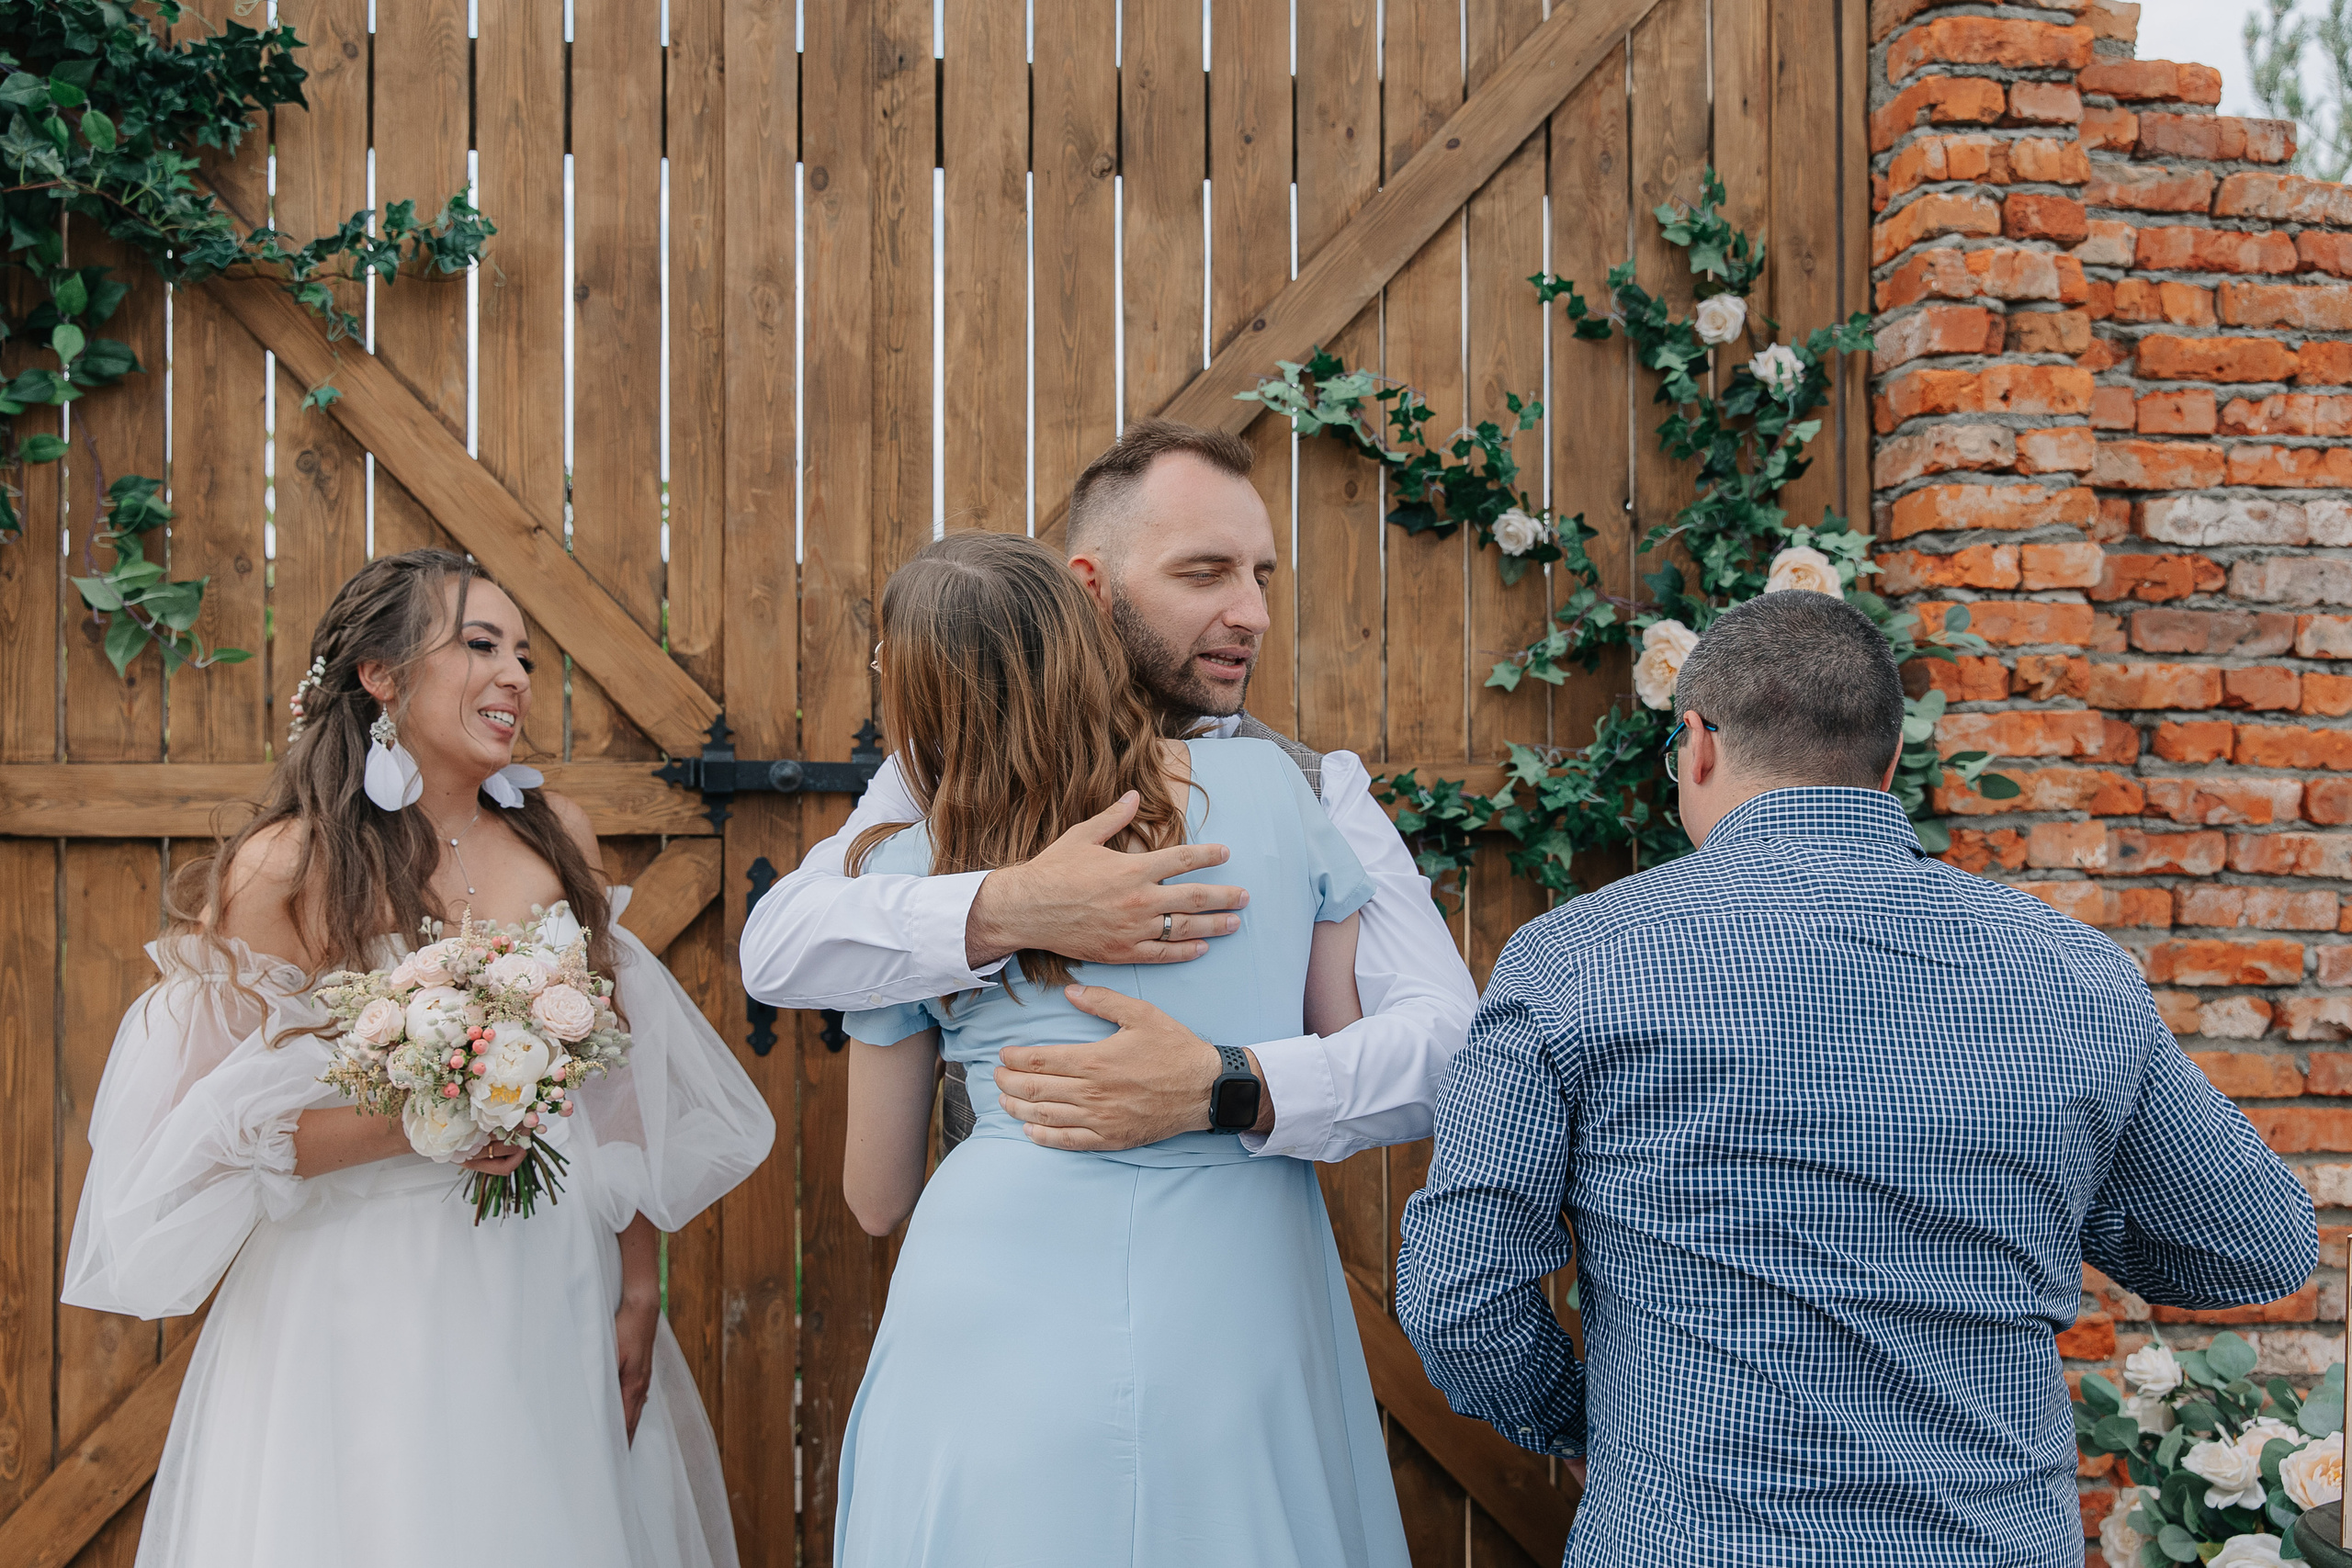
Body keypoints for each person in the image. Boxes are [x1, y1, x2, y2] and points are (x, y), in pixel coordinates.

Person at [1395, 589, 2318, 1568]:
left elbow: (1462, 1294)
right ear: (1887, 764)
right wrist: (2047, 1197)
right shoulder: (2077, 973)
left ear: (1696, 744)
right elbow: (2256, 1248)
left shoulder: (1574, 961)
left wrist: (1588, 1427)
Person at [62, 549, 775, 1568]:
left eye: (525, 654)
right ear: (381, 677)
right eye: (479, 645)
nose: (516, 676)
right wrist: (426, 1121)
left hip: (549, 1281)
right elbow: (218, 1138)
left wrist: (636, 1280)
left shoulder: (557, 837)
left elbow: (612, 1083)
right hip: (363, 1298)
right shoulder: (291, 865)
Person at [831, 531, 1408, 1565]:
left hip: (996, 1267)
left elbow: (876, 1195)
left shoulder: (907, 869)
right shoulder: (1279, 796)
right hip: (1243, 1261)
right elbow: (1343, 1053)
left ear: (916, 685)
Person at [740, 419, 1475, 1165]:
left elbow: (1452, 1043)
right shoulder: (944, 767)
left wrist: (1227, 1085)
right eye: (1205, 573)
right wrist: (1009, 908)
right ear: (1093, 587)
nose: (1253, 614)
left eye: (1260, 576)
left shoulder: (1320, 787)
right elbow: (778, 949)